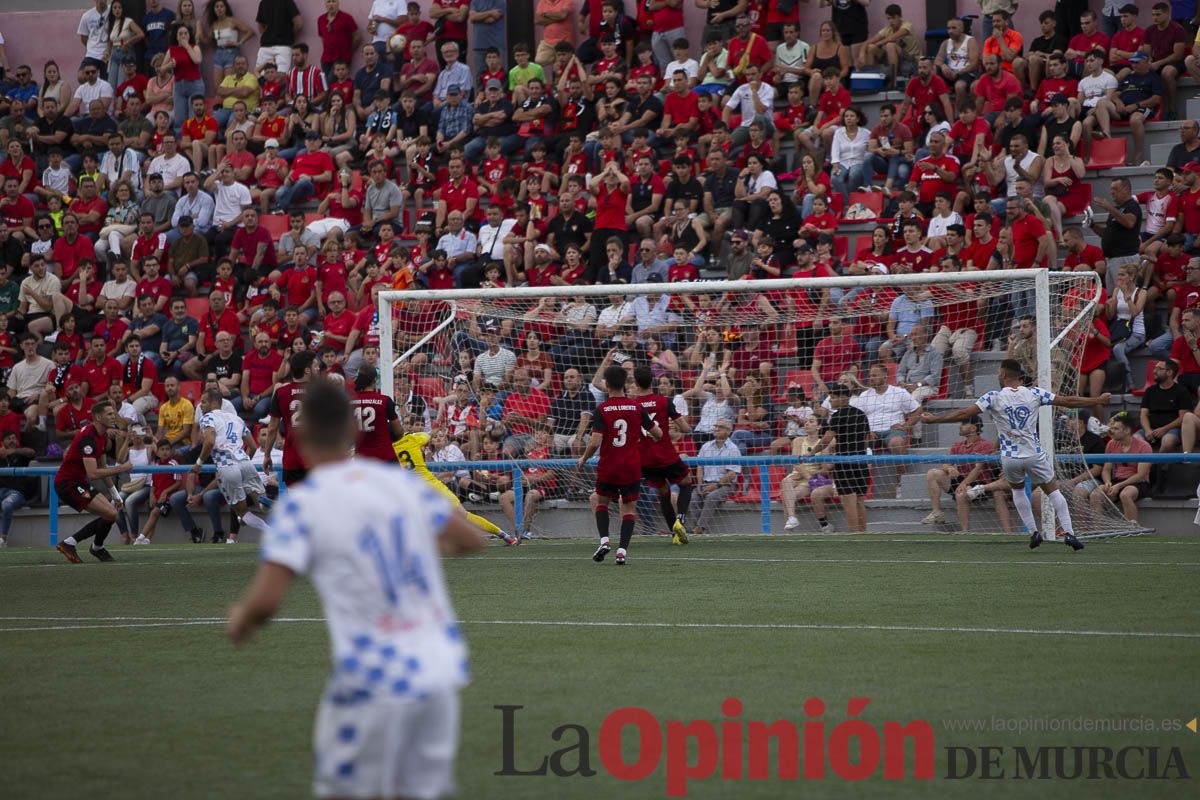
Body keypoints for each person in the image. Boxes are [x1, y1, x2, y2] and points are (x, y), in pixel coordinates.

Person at [226, 379, 484, 800]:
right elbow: (471, 539)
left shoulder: (304, 504)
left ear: (300, 432)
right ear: (352, 430)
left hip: (373, 679)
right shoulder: (400, 485)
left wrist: (239, 621)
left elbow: (266, 600)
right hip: (439, 675)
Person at [921, 358, 1104, 550]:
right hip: (1033, 454)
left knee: (1017, 491)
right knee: (1054, 491)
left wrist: (935, 420)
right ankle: (1070, 534)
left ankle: (1034, 533)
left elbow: (964, 413)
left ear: (1003, 375)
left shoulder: (993, 397)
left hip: (1010, 458)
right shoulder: (1034, 393)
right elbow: (1067, 401)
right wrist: (1097, 400)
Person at [392, 403, 518, 545]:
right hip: (431, 484)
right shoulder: (413, 440)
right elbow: (426, 436)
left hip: (411, 489)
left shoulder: (387, 449)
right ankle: (504, 535)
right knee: (463, 515)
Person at [579, 364, 661, 565]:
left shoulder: (602, 409)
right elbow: (657, 433)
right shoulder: (636, 406)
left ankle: (605, 540)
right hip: (631, 467)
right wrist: (648, 436)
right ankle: (622, 551)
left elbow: (595, 441)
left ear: (607, 384)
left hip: (609, 466)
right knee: (629, 509)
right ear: (625, 383)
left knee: (602, 503)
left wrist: (584, 458)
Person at [53, 399, 133, 563]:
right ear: (97, 417)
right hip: (68, 484)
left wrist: (115, 494)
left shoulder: (102, 435)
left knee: (111, 514)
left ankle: (97, 548)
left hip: (78, 482)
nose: (113, 417)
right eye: (109, 414)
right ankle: (70, 543)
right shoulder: (88, 437)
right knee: (111, 513)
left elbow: (103, 467)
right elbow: (93, 473)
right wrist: (121, 468)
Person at [192, 388, 267, 542]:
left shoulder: (207, 418)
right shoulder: (237, 419)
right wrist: (244, 460)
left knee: (242, 513)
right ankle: (288, 516)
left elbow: (210, 441)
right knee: (262, 502)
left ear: (214, 402)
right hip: (245, 462)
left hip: (227, 466)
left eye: (204, 401)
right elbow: (253, 447)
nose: (200, 405)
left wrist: (198, 463)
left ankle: (273, 532)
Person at [632, 365, 692, 544]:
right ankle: (680, 519)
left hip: (645, 458)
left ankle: (675, 535)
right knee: (686, 483)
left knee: (663, 492)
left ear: (635, 383)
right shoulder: (664, 401)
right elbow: (685, 428)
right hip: (666, 454)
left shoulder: (633, 405)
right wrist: (680, 427)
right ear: (654, 381)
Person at [922, 418, 1011, 532]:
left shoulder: (985, 445)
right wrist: (949, 468)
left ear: (973, 428)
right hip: (962, 479)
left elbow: (978, 469)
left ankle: (965, 531)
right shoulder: (957, 445)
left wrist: (964, 484)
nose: (960, 426)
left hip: (980, 482)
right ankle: (937, 512)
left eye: (964, 424)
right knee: (932, 473)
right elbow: (946, 464)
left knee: (961, 494)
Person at [817, 383, 869, 533]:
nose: (831, 401)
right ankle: (863, 533)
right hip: (861, 461)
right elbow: (866, 439)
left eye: (833, 397)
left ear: (844, 398)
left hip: (844, 462)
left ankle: (854, 534)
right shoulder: (861, 414)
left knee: (848, 501)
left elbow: (826, 439)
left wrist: (811, 453)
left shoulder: (838, 416)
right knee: (859, 500)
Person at [263, 349, 315, 486]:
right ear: (307, 370)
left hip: (293, 458)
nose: (317, 369)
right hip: (316, 456)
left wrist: (267, 455)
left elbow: (273, 427)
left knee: (296, 503)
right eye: (315, 366)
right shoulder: (321, 391)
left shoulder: (281, 392)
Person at [1090, 412, 1152, 523]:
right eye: (1111, 428)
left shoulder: (1144, 446)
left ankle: (1132, 528)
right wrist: (1108, 482)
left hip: (1138, 482)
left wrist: (1120, 485)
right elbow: (1106, 469)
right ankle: (1098, 530)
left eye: (1116, 429)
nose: (1111, 431)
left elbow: (1141, 475)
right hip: (1117, 481)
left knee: (1125, 494)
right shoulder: (1111, 444)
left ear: (1127, 430)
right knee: (1096, 494)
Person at [350, 368, 405, 462]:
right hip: (385, 457)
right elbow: (399, 432)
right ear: (375, 380)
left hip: (362, 460)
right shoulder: (384, 401)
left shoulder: (349, 402)